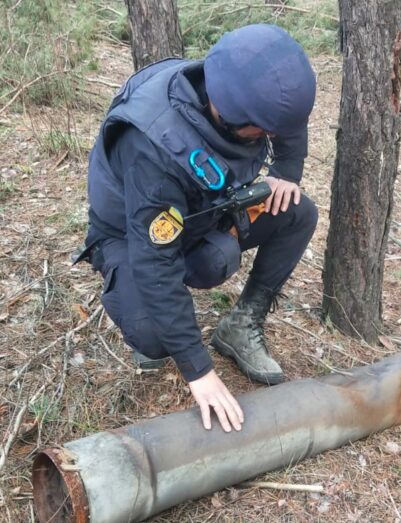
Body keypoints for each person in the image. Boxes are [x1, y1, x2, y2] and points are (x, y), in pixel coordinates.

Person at [78, 24, 318, 434]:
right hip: (129, 233)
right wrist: (199, 372)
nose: (271, 137)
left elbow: (288, 123)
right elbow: (156, 263)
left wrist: (285, 173)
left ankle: (240, 326)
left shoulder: (238, 83)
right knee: (155, 337)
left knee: (297, 213)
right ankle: (132, 303)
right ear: (228, 114)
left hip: (202, 208)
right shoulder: (153, 145)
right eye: (263, 133)